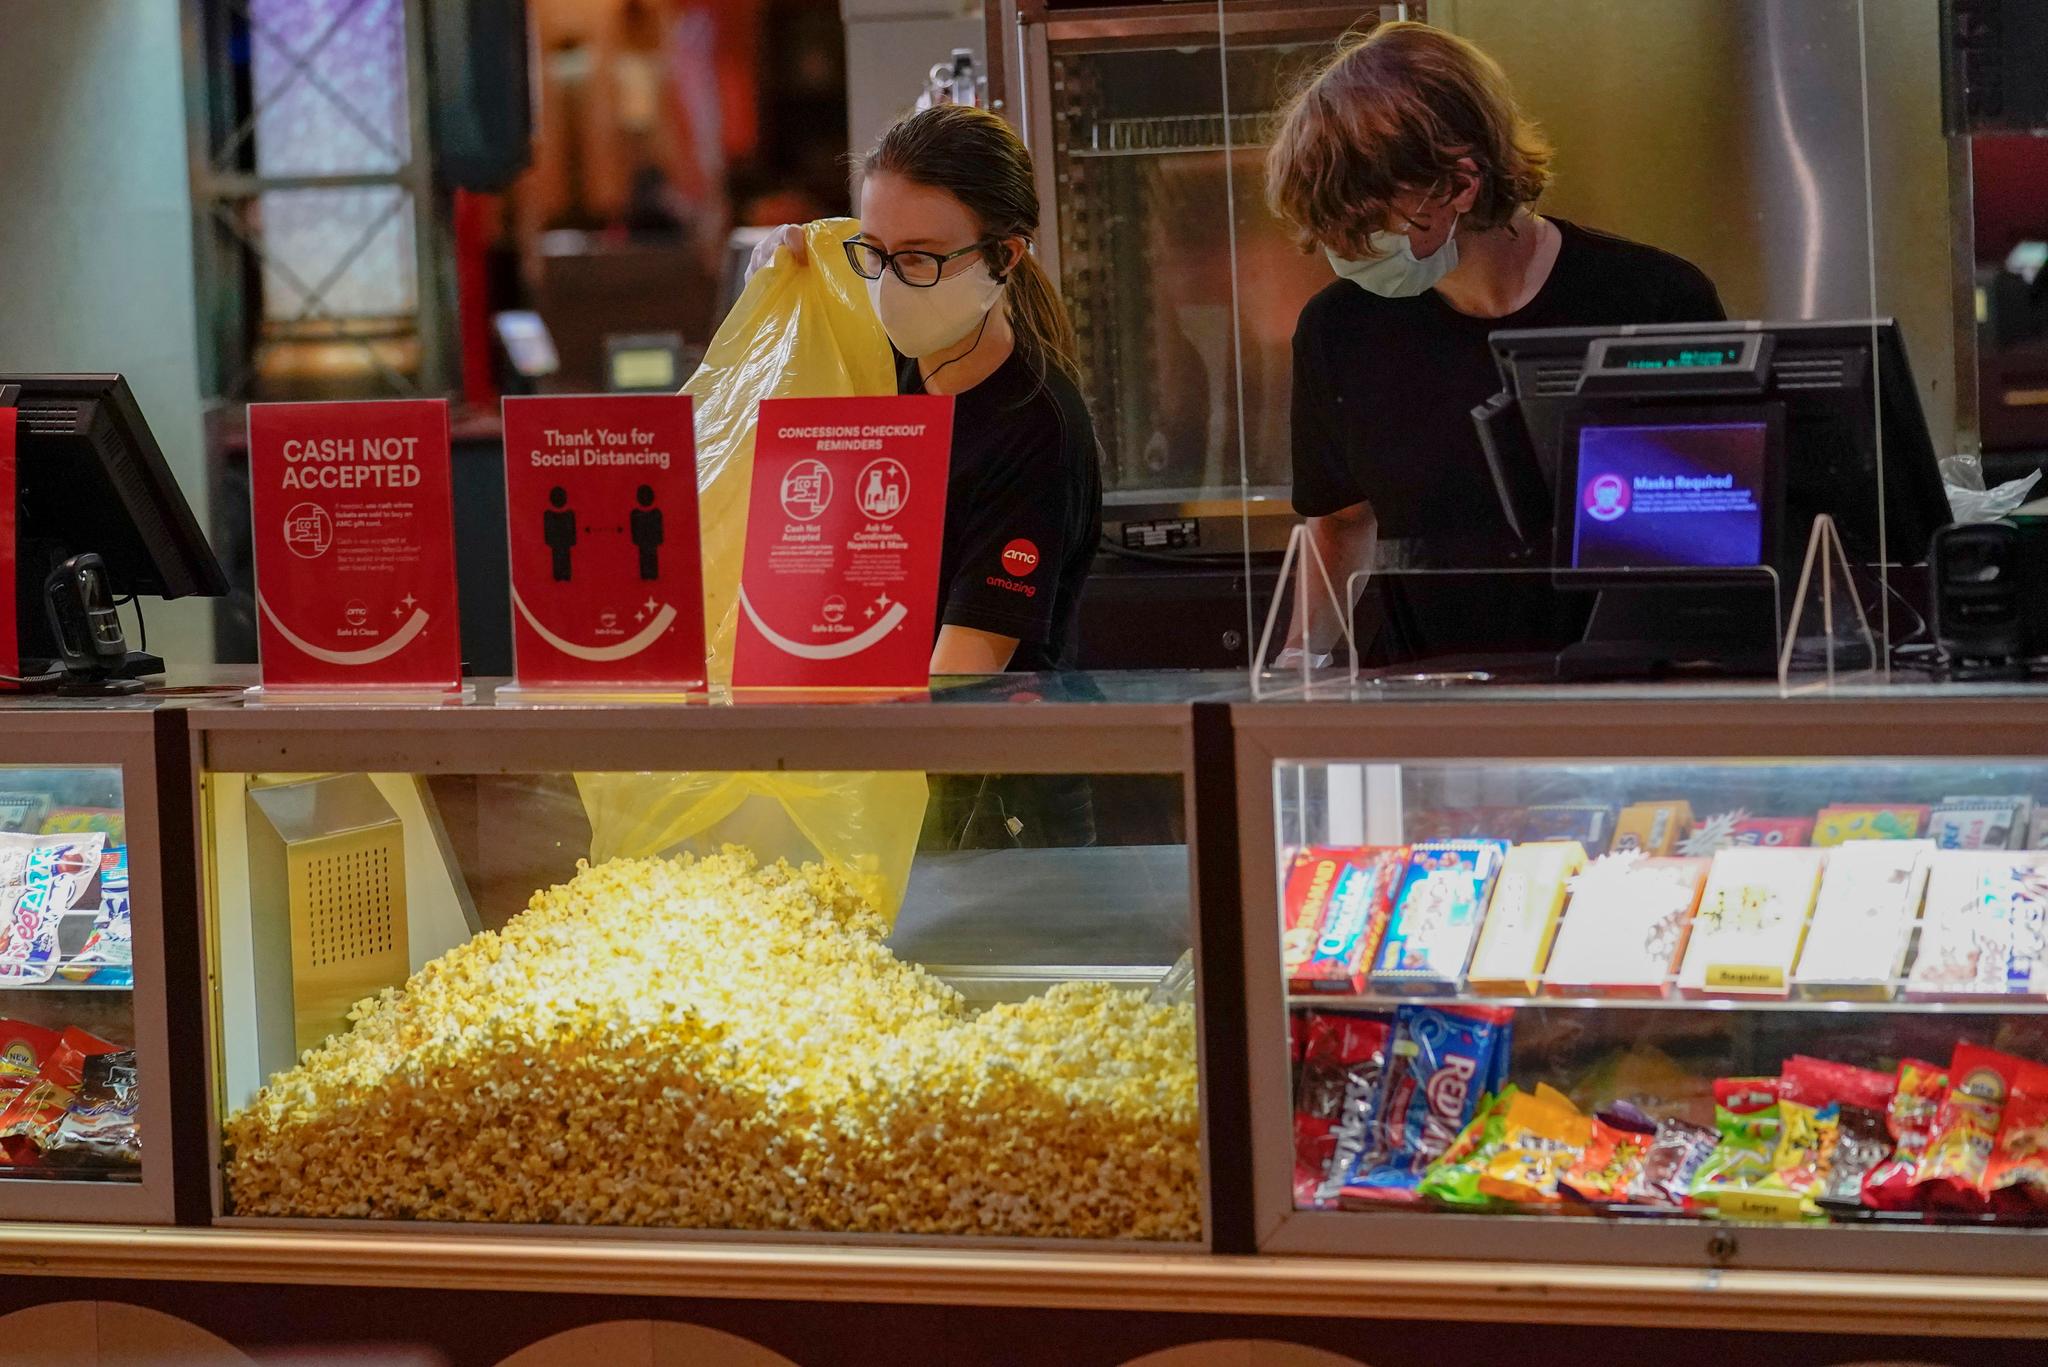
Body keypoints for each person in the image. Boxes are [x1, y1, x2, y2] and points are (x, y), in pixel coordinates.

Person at [1266, 22, 1727, 666]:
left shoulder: (1653, 300)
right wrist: (1297, 665)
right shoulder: (1339, 329)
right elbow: (1341, 522)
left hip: (1622, 701)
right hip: (1426, 703)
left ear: (1460, 184)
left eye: (1369, 224)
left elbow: (1711, 533)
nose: (1347, 253)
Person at [748, 104, 1102, 674]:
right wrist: (783, 308)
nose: (889, 284)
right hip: (872, 731)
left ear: (1003, 256)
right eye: (874, 253)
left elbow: (961, 681)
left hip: (986, 754)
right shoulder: (877, 364)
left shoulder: (1035, 431)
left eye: (917, 258)